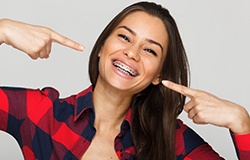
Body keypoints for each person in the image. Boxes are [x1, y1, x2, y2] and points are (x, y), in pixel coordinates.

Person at [0, 1, 249, 160]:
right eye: (124, 37)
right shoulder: (41, 113)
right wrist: (2, 29)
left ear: (158, 75)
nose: (132, 53)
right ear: (102, 46)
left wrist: (242, 123)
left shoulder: (172, 141)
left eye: (150, 50)